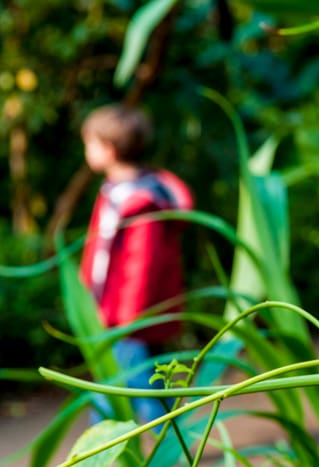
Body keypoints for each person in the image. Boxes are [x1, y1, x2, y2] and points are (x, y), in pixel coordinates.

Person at [78, 104, 192, 426]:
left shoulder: (143, 203)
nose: (86, 150)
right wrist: (86, 291)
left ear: (109, 150)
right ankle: (172, 446)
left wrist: (125, 319)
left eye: (90, 143)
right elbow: (98, 250)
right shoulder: (113, 193)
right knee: (152, 386)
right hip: (114, 313)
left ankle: (99, 454)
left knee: (112, 390)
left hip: (128, 321)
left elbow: (142, 269)